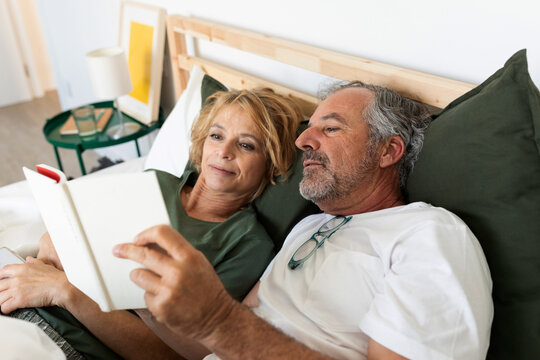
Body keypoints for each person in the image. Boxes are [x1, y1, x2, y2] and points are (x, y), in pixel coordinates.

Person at [113, 81, 494, 360]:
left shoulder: (428, 235)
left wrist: (217, 318)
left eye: (329, 128)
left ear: (387, 150)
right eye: (308, 128)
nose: (302, 142)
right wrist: (151, 303)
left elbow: (226, 327)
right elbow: (212, 343)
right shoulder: (308, 228)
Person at [0, 88, 304, 359]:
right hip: (27, 300)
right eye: (216, 135)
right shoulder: (154, 182)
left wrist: (65, 290)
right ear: (201, 142)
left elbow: (171, 351)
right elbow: (54, 247)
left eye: (247, 145)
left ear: (271, 163)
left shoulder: (248, 243)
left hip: (66, 341)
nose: (224, 151)